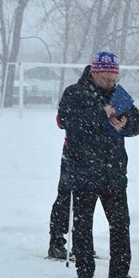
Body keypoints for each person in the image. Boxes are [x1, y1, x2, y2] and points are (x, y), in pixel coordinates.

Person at [58, 51, 139, 278]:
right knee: (83, 223)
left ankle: (119, 273)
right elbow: (66, 120)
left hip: (114, 170)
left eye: (114, 78)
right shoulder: (75, 93)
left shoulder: (119, 94)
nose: (111, 83)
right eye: (106, 78)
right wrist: (100, 114)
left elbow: (138, 122)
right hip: (84, 169)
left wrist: (126, 123)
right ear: (94, 73)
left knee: (120, 223)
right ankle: (84, 272)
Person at [47, 66, 97, 260]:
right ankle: (57, 241)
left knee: (86, 202)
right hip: (74, 154)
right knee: (66, 198)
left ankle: (81, 245)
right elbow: (62, 121)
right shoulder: (74, 92)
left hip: (98, 157)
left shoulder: (108, 95)